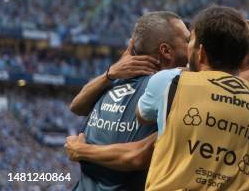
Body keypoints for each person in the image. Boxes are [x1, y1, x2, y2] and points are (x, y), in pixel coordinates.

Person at [137, 6, 249, 190]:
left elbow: (142, 115)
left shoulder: (170, 82)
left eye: (190, 40)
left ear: (201, 53)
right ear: (241, 57)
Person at [68, 11, 189, 190]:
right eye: (187, 40)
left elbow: (77, 107)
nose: (193, 45)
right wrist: (109, 73)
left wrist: (82, 151)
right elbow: (138, 156)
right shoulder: (173, 90)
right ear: (165, 51)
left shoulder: (116, 80)